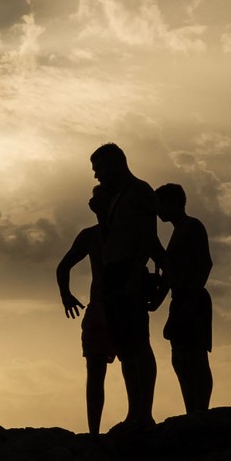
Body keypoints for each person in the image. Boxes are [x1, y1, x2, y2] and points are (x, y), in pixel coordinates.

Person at [89, 143, 163, 430]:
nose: (96, 176)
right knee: (124, 347)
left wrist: (135, 275)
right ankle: (135, 412)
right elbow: (110, 239)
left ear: (115, 164)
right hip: (113, 274)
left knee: (139, 344)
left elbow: (147, 237)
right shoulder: (116, 197)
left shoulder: (140, 191)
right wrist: (100, 213)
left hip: (130, 270)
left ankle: (144, 413)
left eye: (99, 169)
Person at [55, 186, 116, 434]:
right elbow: (63, 267)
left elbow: (159, 258)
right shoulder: (90, 235)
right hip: (101, 307)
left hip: (119, 306)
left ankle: (137, 416)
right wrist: (65, 295)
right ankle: (94, 431)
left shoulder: (125, 231)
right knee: (96, 371)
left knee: (130, 365)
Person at [155, 183, 214, 414]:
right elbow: (171, 275)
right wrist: (159, 298)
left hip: (193, 299)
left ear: (175, 202)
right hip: (180, 298)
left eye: (160, 204)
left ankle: (200, 410)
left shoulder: (192, 226)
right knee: (180, 357)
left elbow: (205, 264)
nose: (157, 210)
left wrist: (190, 299)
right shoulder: (177, 231)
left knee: (195, 357)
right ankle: (192, 409)